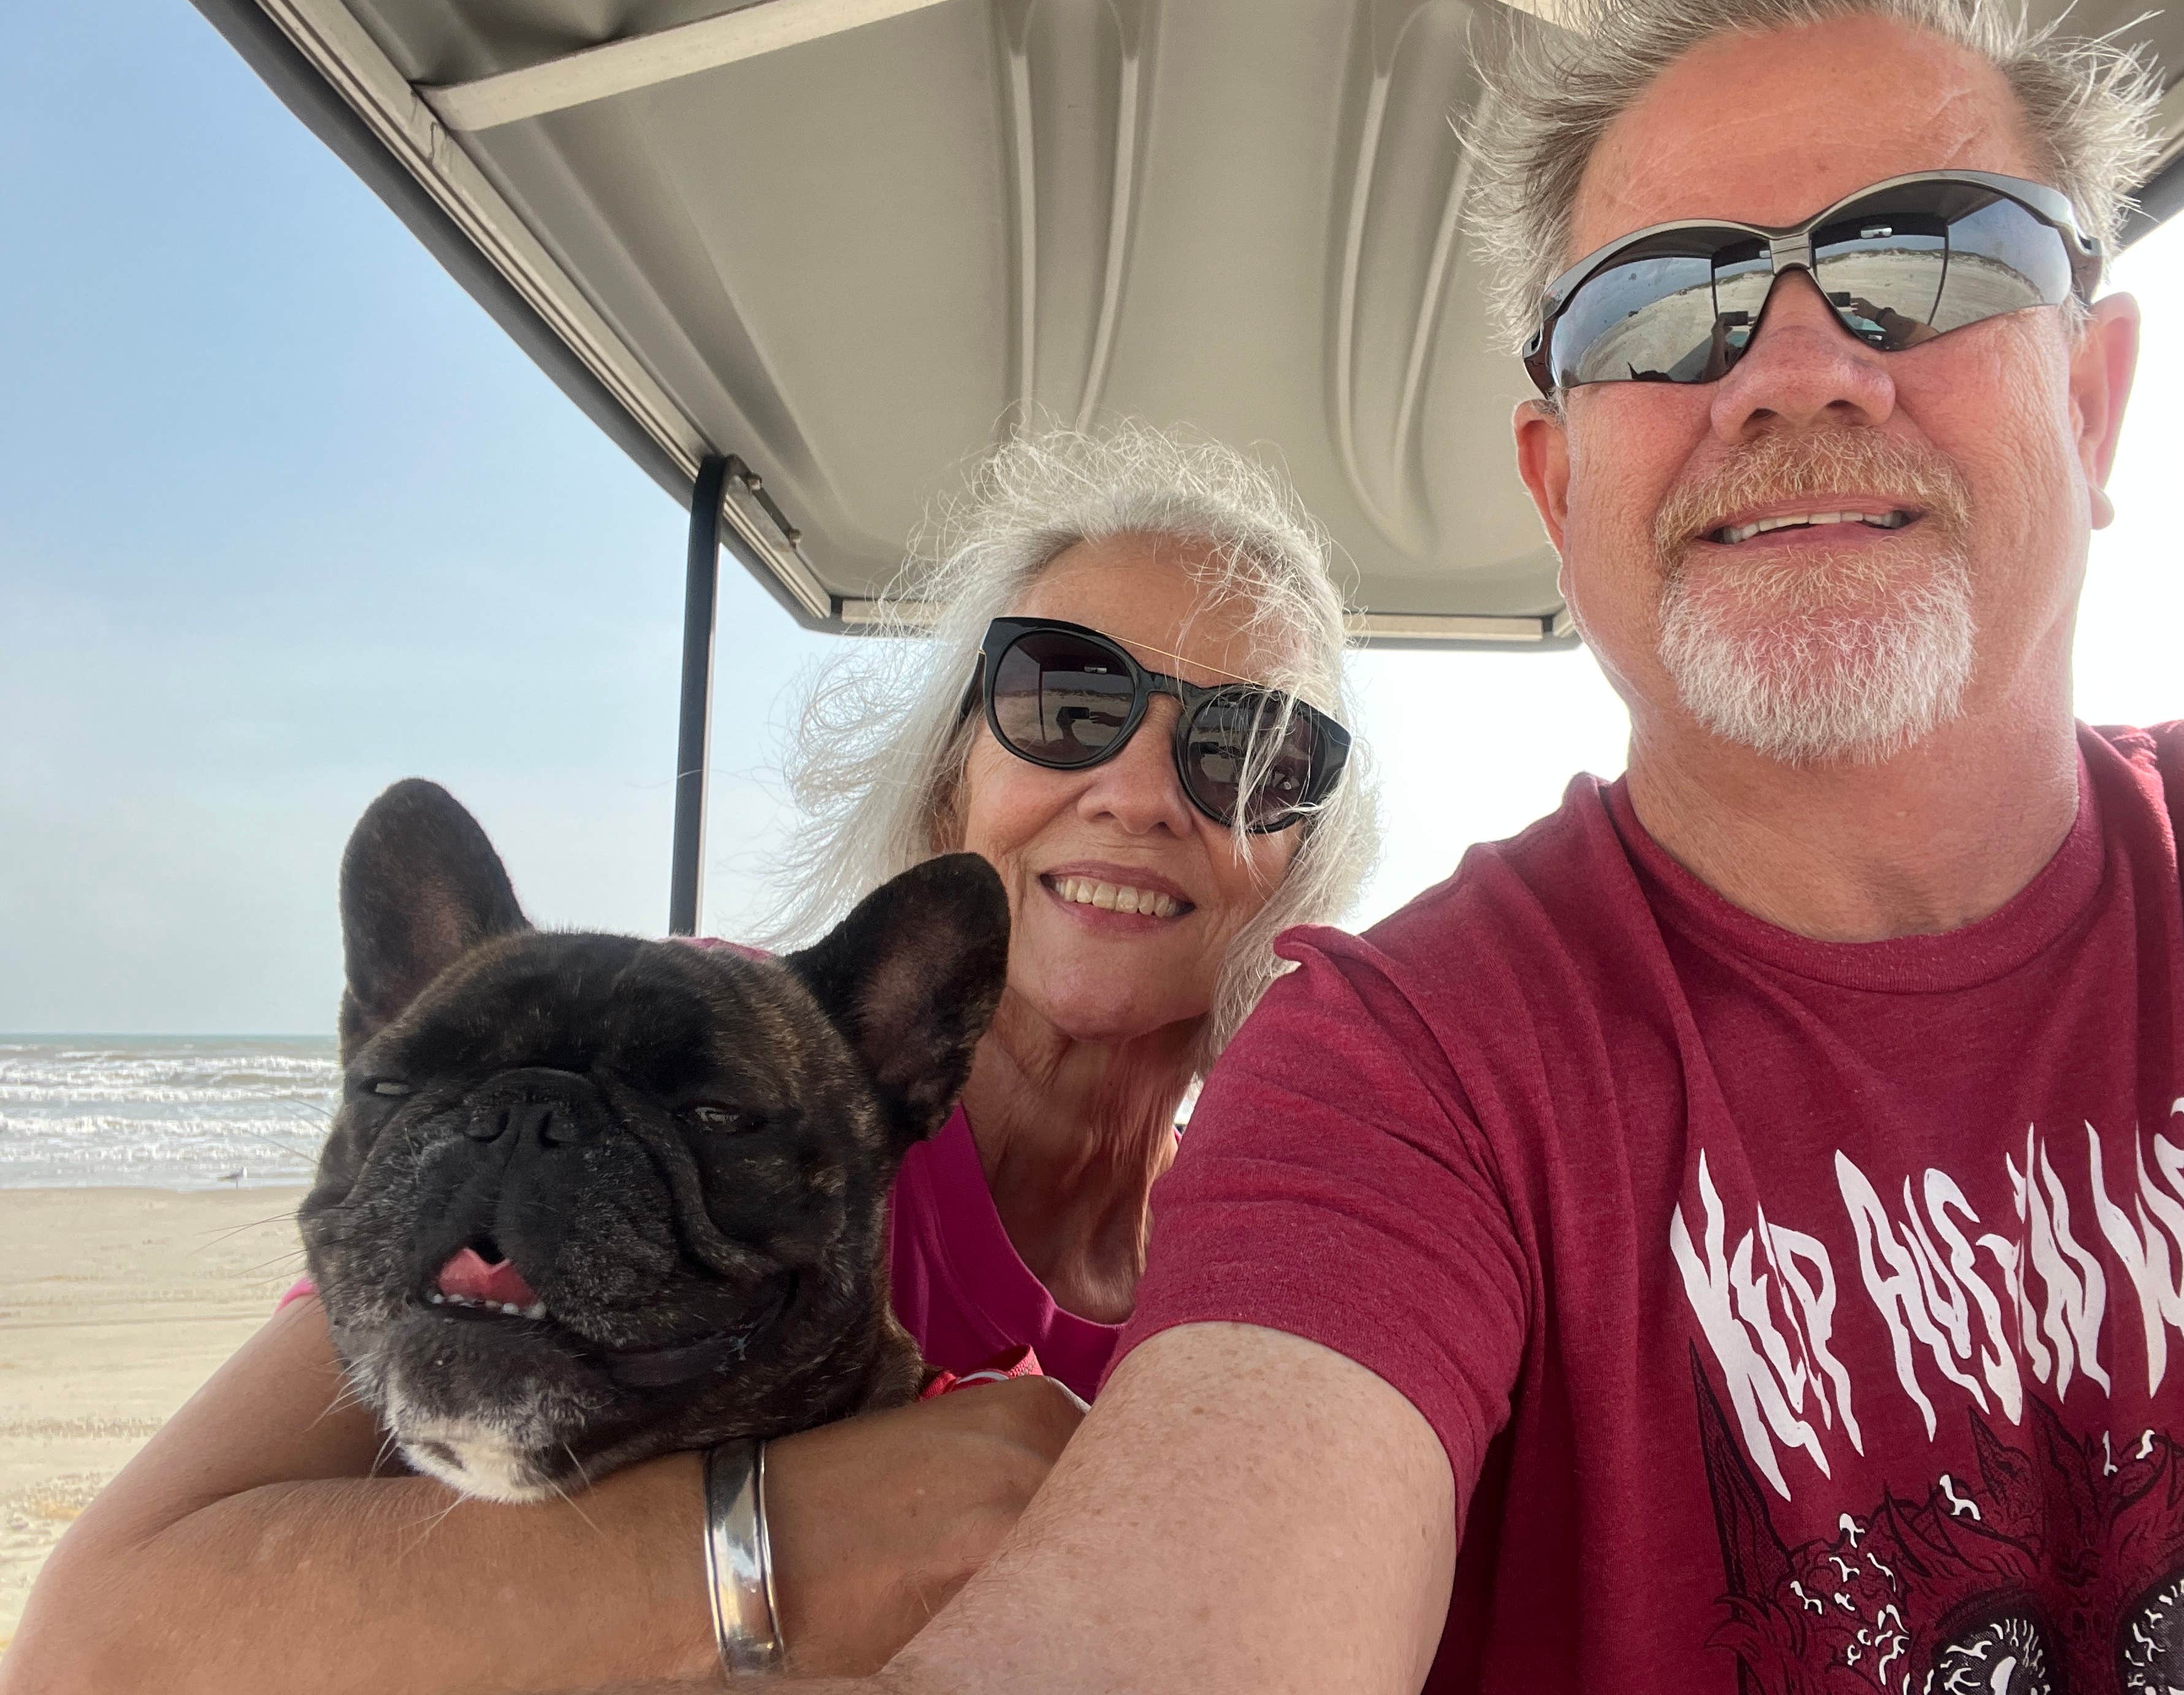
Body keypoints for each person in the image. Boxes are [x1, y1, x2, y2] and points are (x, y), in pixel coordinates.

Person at [768, 0, 2184, 1695]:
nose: (1796, 369)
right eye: (1661, 309)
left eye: (1932, 260)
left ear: (2096, 399)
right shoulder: (1399, 1085)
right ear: (1560, 487)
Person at [1, 423, 1374, 1693]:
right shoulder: (704, 1065)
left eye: (1251, 752)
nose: (1137, 792)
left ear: (1304, 853)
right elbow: (100, 1639)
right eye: (1065, 696)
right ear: (954, 768)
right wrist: (777, 1548)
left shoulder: (1288, 1260)